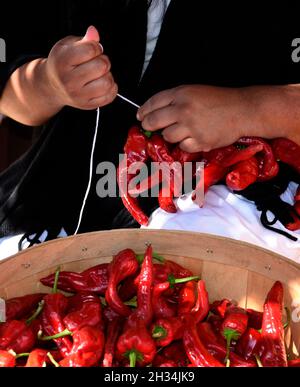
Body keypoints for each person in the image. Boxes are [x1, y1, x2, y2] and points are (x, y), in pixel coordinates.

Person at [0, 0, 299, 260]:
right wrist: (50, 82)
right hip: (56, 197)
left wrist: (248, 109)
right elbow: (12, 89)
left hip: (238, 204)